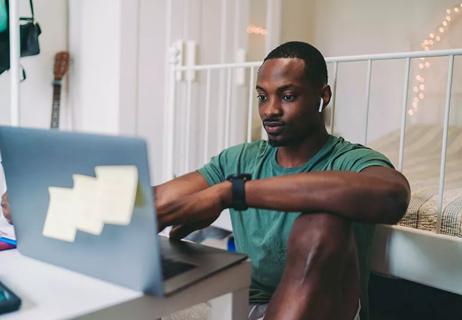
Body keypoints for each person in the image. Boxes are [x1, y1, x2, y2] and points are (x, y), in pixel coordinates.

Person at [2, 41, 410, 320]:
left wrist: (233, 193)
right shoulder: (242, 157)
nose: (269, 110)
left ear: (323, 96)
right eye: (261, 96)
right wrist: (43, 202)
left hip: (327, 308)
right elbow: (157, 199)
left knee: (322, 224)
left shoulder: (351, 159)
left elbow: (392, 196)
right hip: (250, 306)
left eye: (287, 96)